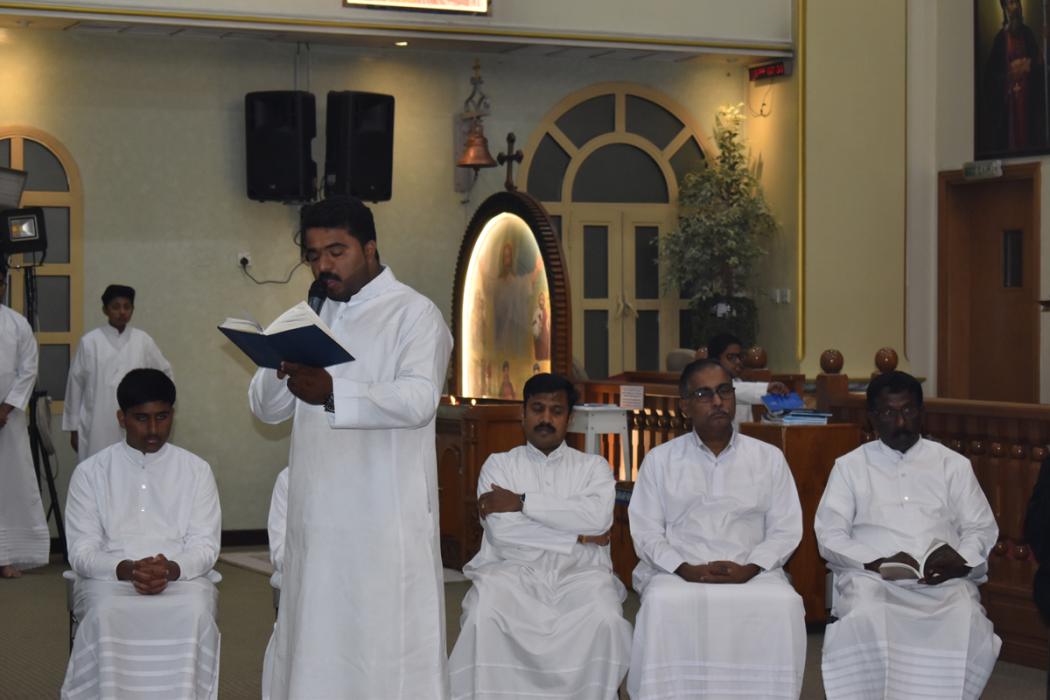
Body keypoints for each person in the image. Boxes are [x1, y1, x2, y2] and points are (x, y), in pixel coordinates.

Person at [249, 195, 453, 699]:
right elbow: (266, 409)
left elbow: (418, 399)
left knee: (379, 651)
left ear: (370, 247)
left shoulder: (414, 314)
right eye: (314, 255)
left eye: (336, 252)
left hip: (381, 523)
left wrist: (333, 392)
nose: (324, 266)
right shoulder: (306, 314)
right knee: (315, 643)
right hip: (317, 521)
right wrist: (280, 362)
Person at [814, 371, 1000, 699]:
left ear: (921, 412)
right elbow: (830, 534)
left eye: (908, 410)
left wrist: (961, 561)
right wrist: (874, 562)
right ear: (872, 417)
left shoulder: (952, 465)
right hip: (874, 580)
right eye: (889, 412)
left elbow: (980, 527)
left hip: (943, 581)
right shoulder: (850, 466)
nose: (901, 422)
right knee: (868, 614)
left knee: (966, 616)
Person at [628, 358, 806, 699]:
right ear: (685, 406)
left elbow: (785, 529)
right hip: (679, 571)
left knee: (784, 603)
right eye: (704, 394)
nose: (718, 401)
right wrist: (685, 568)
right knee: (662, 602)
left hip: (752, 570)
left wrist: (750, 568)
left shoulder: (768, 458)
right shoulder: (660, 460)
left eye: (724, 391)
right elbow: (646, 532)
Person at [448, 373, 632, 699]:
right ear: (523, 413)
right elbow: (503, 533)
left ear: (569, 418)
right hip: (512, 571)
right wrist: (577, 537)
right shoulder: (499, 466)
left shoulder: (594, 467)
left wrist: (522, 502)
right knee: (483, 614)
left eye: (556, 411)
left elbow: (597, 519)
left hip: (580, 574)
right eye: (537, 408)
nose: (546, 418)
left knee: (605, 618)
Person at [62, 369, 221, 699]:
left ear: (173, 414)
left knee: (194, 611)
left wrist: (170, 569)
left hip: (181, 580)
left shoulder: (196, 470)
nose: (153, 429)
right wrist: (126, 569)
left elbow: (205, 545)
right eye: (141, 418)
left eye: (162, 417)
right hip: (109, 580)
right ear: (121, 418)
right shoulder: (90, 473)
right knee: (105, 612)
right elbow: (82, 550)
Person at [63, 284, 173, 461]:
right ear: (105, 310)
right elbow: (74, 386)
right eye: (116, 307)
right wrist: (73, 428)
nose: (122, 312)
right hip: (97, 424)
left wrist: (157, 412)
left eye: (127, 307)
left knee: (136, 464)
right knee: (98, 466)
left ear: (132, 310)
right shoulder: (90, 342)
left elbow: (164, 374)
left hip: (137, 420)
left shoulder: (143, 341)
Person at [0, 268, 50, 579]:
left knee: (9, 487)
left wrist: (5, 408)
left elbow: (28, 369)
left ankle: (6, 557)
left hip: (9, 420)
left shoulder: (17, 323)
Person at [980, 0, 1046, 154]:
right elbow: (989, 79)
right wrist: (1009, 76)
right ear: (1004, 8)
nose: (1016, 7)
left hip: (1028, 103)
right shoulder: (1000, 40)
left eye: (1017, 2)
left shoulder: (1028, 35)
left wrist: (1030, 65)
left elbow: (1039, 67)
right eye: (1011, 3)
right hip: (1009, 106)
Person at [705, 332, 788, 428]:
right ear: (716, 359)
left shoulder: (738, 382)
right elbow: (732, 390)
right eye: (731, 357)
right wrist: (767, 388)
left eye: (739, 357)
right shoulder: (707, 384)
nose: (738, 362)